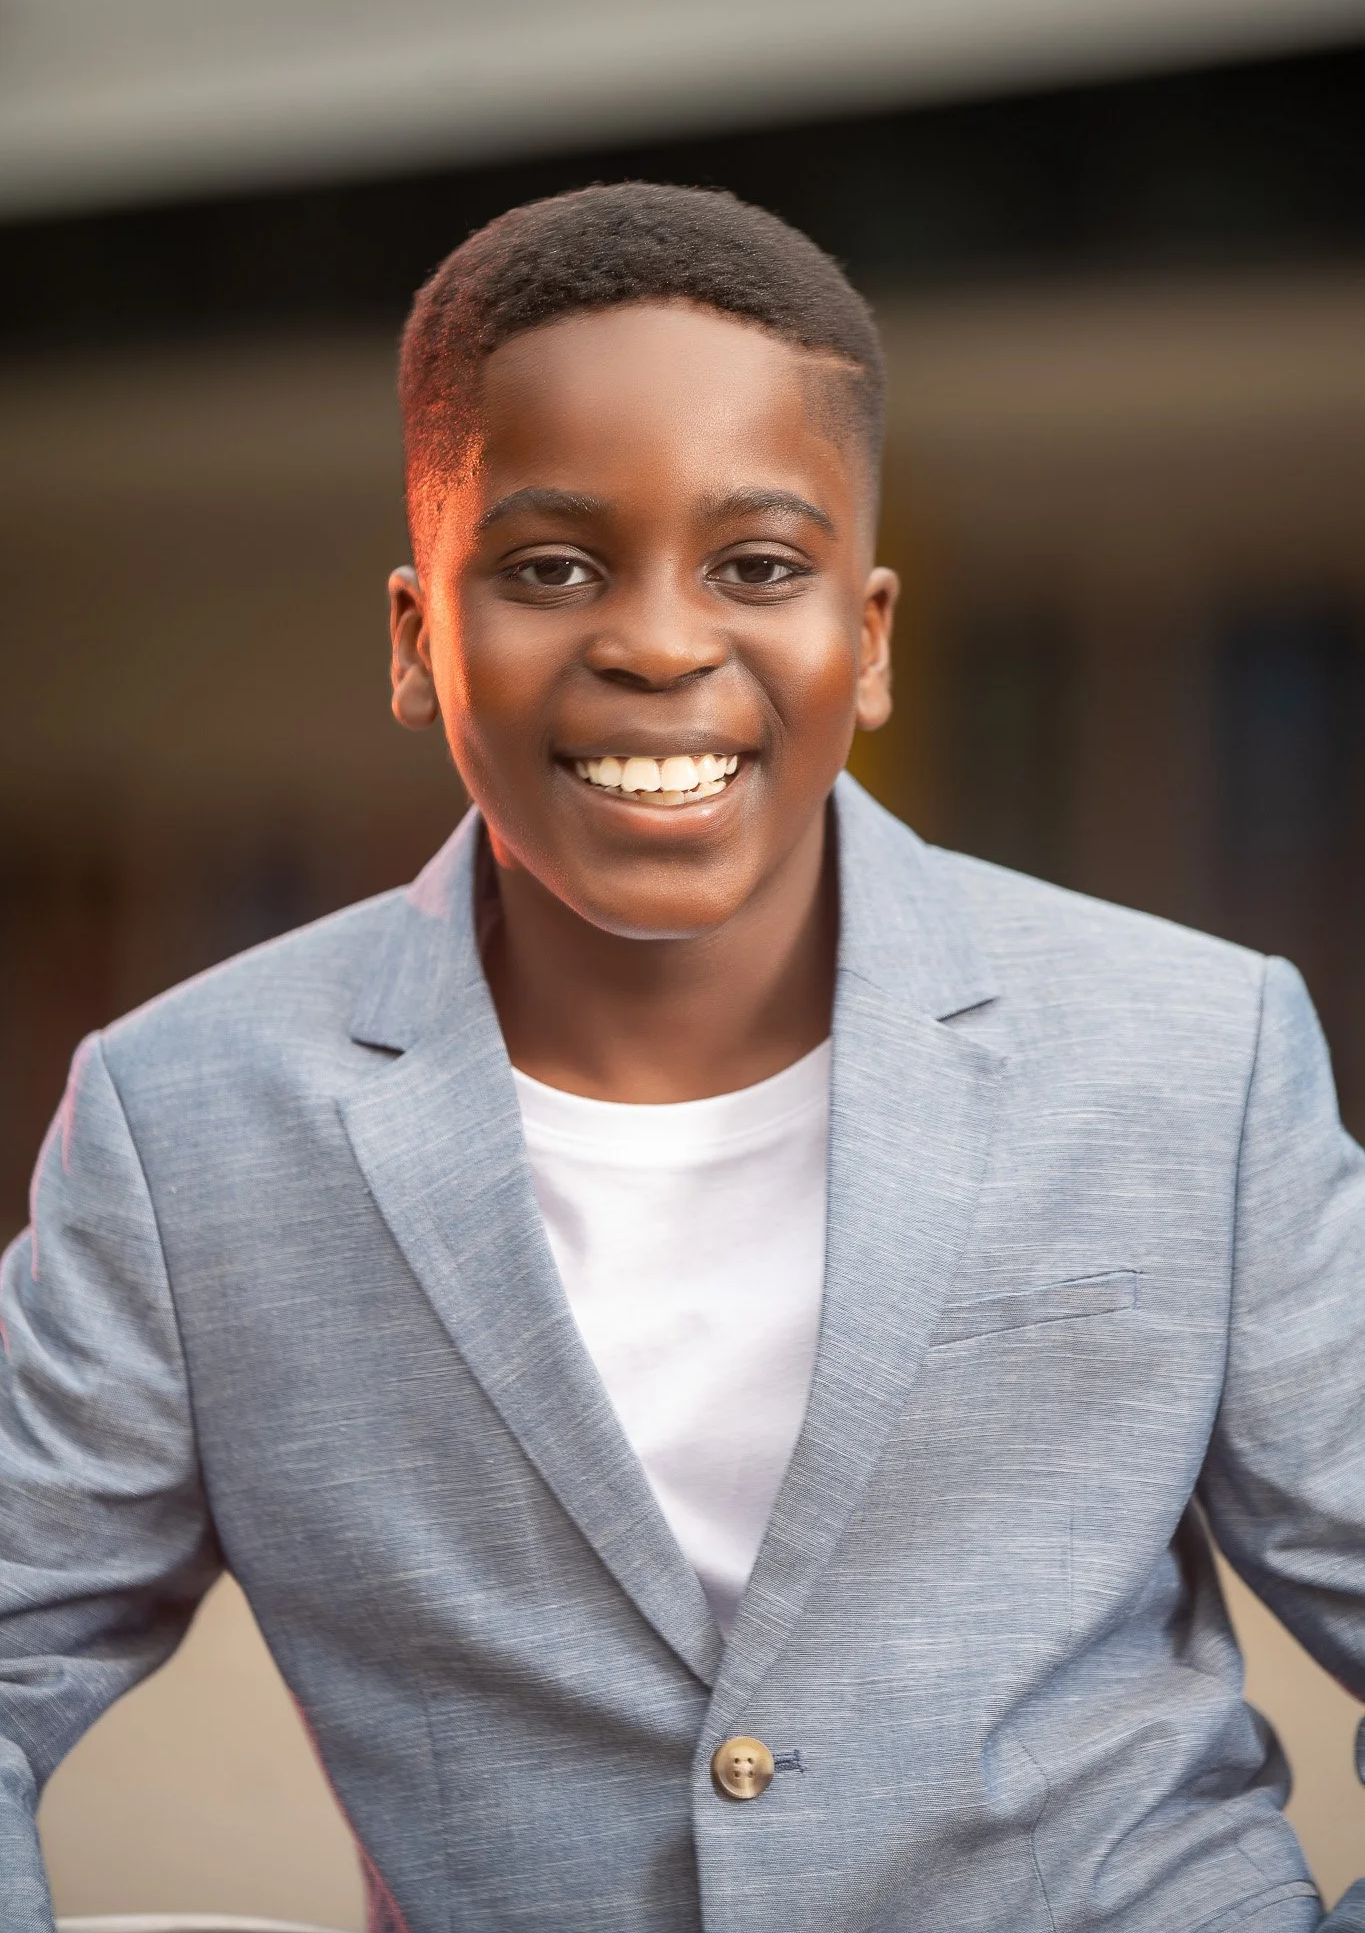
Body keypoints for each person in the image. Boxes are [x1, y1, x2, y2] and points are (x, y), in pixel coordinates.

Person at [1, 183, 1362, 1933]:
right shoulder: (185, 1125)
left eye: (759, 566)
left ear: (866, 640)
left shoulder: (1198, 1053)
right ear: (420, 638)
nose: (657, 641)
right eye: (554, 565)